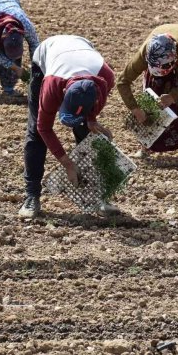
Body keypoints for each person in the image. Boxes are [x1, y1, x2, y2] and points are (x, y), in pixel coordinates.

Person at [20, 35, 116, 218]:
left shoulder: (106, 78)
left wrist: (91, 119)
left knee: (86, 131)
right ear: (63, 94)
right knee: (36, 133)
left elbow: (93, 104)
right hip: (48, 56)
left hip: (82, 51)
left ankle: (97, 195)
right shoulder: (52, 85)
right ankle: (32, 196)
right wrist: (67, 163)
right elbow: (44, 127)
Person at [116, 24, 178, 167]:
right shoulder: (146, 53)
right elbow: (122, 82)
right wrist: (135, 108)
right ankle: (145, 148)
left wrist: (173, 96)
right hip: (162, 60)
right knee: (152, 98)